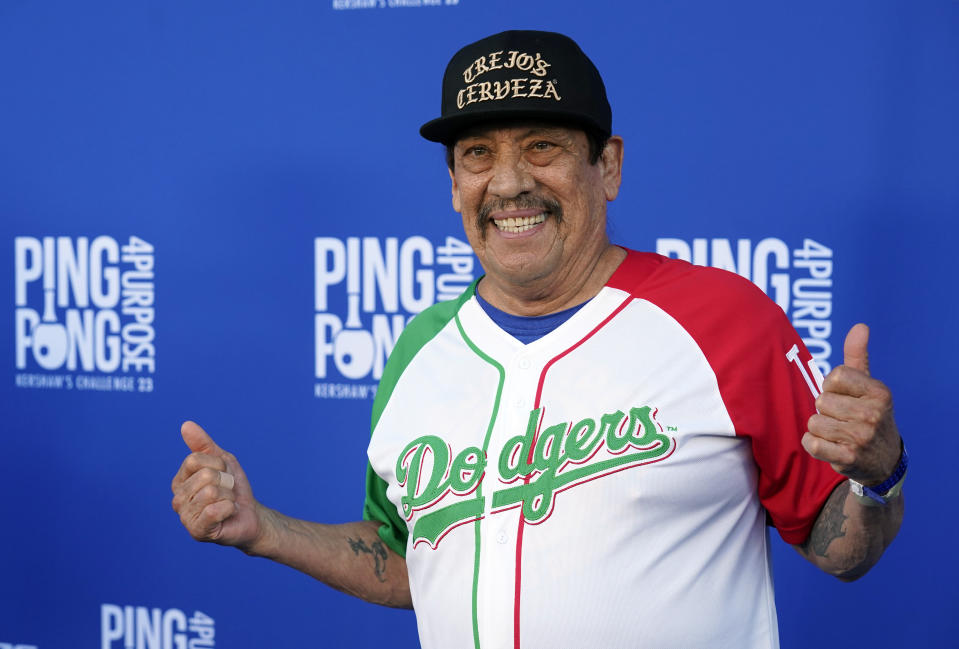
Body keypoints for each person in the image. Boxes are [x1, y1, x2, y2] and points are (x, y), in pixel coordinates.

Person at [172, 30, 905, 648]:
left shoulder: (724, 321)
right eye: (477, 154)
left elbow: (842, 548)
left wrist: (879, 476)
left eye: (542, 145)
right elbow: (409, 558)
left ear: (607, 165)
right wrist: (263, 527)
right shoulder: (419, 350)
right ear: (453, 180)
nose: (509, 182)